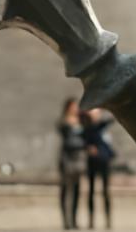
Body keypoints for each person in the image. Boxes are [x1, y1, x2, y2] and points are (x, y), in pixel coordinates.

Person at [81, 108, 116, 229]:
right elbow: (83, 141)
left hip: (103, 161)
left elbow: (111, 119)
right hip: (92, 162)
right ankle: (91, 220)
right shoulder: (86, 128)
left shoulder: (101, 127)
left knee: (105, 191)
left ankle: (108, 220)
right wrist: (88, 148)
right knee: (91, 191)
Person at [57, 97, 86, 230]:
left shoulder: (82, 121)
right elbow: (65, 136)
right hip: (67, 158)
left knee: (76, 190)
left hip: (79, 159)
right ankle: (66, 221)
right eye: (73, 106)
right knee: (65, 189)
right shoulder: (63, 123)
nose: (75, 109)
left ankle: (74, 220)